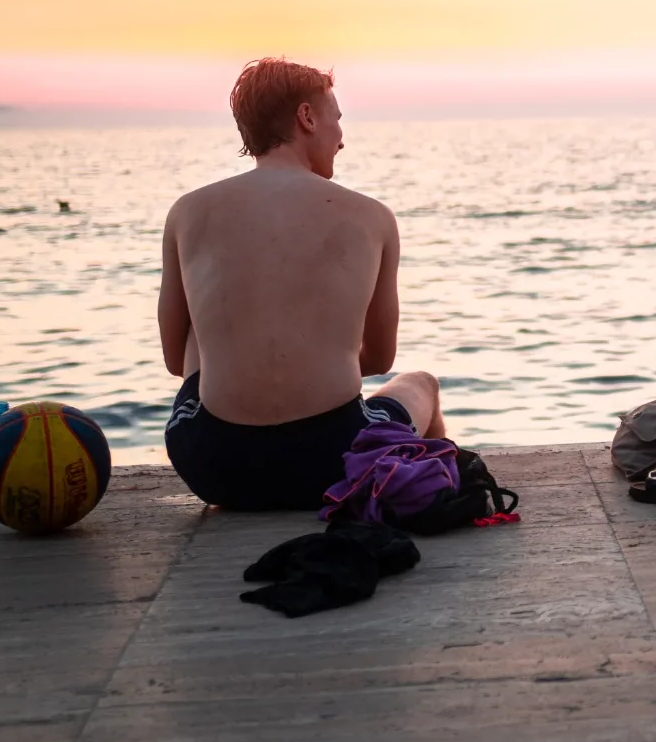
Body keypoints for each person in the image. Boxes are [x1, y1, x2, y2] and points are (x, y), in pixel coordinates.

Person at [158, 58, 446, 510]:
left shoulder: (187, 212)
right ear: (307, 117)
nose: (342, 138)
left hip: (216, 468)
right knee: (423, 383)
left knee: (200, 327)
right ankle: (425, 488)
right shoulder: (372, 217)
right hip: (336, 463)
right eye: (336, 120)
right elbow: (380, 359)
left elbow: (178, 361)